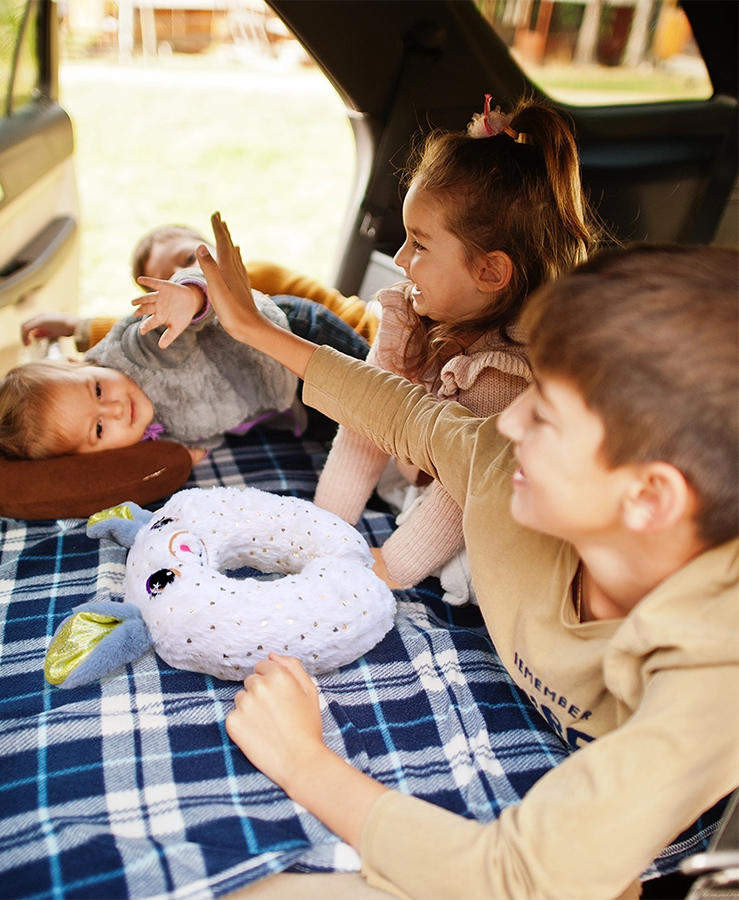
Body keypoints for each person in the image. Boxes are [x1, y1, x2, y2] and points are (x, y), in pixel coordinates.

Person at [198, 211, 739, 900]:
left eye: (545, 415)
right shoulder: (499, 462)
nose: (508, 418)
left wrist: (303, 760)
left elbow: (514, 878)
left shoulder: (718, 663)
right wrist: (256, 331)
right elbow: (403, 413)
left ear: (649, 498)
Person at [312, 94, 604, 591]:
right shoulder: (409, 312)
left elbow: (461, 488)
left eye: (419, 244)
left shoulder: (507, 374)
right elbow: (364, 421)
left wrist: (392, 568)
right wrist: (323, 527)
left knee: (472, 569)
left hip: (479, 496)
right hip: (419, 471)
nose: (401, 259)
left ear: (490, 271)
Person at [0, 268, 298, 509]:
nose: (117, 410)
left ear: (80, 363)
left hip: (291, 335)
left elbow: (184, 291)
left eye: (98, 391)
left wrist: (191, 298)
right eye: (98, 430)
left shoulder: (142, 354)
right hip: (279, 397)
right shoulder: (137, 439)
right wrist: (187, 452)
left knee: (358, 379)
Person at [20, 223, 380, 352]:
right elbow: (148, 328)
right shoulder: (200, 320)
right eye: (169, 277)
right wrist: (78, 328)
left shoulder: (255, 274)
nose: (183, 273)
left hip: (367, 336)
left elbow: (338, 316)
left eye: (185, 257)